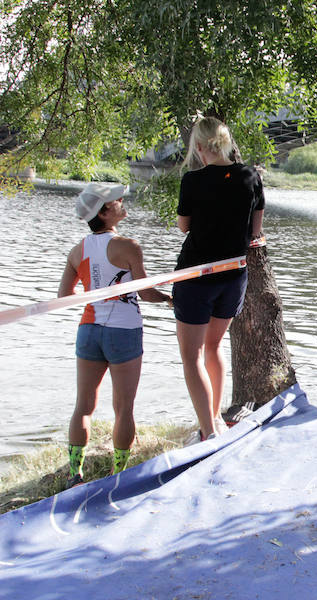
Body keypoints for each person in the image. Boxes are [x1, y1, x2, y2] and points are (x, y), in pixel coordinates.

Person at [60, 183, 172, 488]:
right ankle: (117, 475)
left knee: (83, 405)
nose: (122, 202)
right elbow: (146, 293)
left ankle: (75, 474)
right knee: (124, 408)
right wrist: (169, 299)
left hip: (89, 330)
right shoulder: (129, 247)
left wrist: (94, 287)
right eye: (115, 201)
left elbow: (64, 294)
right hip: (123, 332)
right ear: (105, 212)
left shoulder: (76, 251)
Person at [173, 116, 265, 443]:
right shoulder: (251, 176)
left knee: (192, 356)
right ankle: (215, 420)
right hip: (233, 275)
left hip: (195, 275)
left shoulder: (192, 180)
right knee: (213, 347)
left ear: (199, 147)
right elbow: (255, 231)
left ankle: (209, 431)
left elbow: (184, 226)